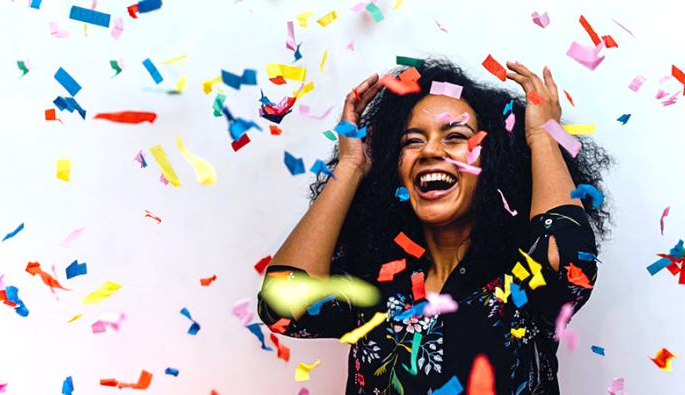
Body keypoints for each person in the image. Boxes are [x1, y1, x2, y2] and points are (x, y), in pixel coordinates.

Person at [257, 58, 612, 394]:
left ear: (494, 164)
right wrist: (352, 164)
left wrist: (542, 137)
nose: (429, 151)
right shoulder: (375, 288)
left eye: (455, 137)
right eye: (412, 140)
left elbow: (570, 259)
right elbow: (282, 308)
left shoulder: (521, 283)